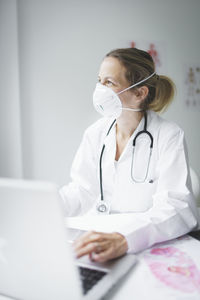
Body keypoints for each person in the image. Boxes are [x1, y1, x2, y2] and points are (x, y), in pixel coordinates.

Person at [60, 48, 200, 263]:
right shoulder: (95, 133)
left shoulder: (169, 135)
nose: (99, 89)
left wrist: (125, 238)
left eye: (109, 82)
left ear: (139, 93)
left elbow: (177, 207)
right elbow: (82, 190)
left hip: (142, 243)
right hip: (99, 240)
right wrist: (47, 208)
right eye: (99, 81)